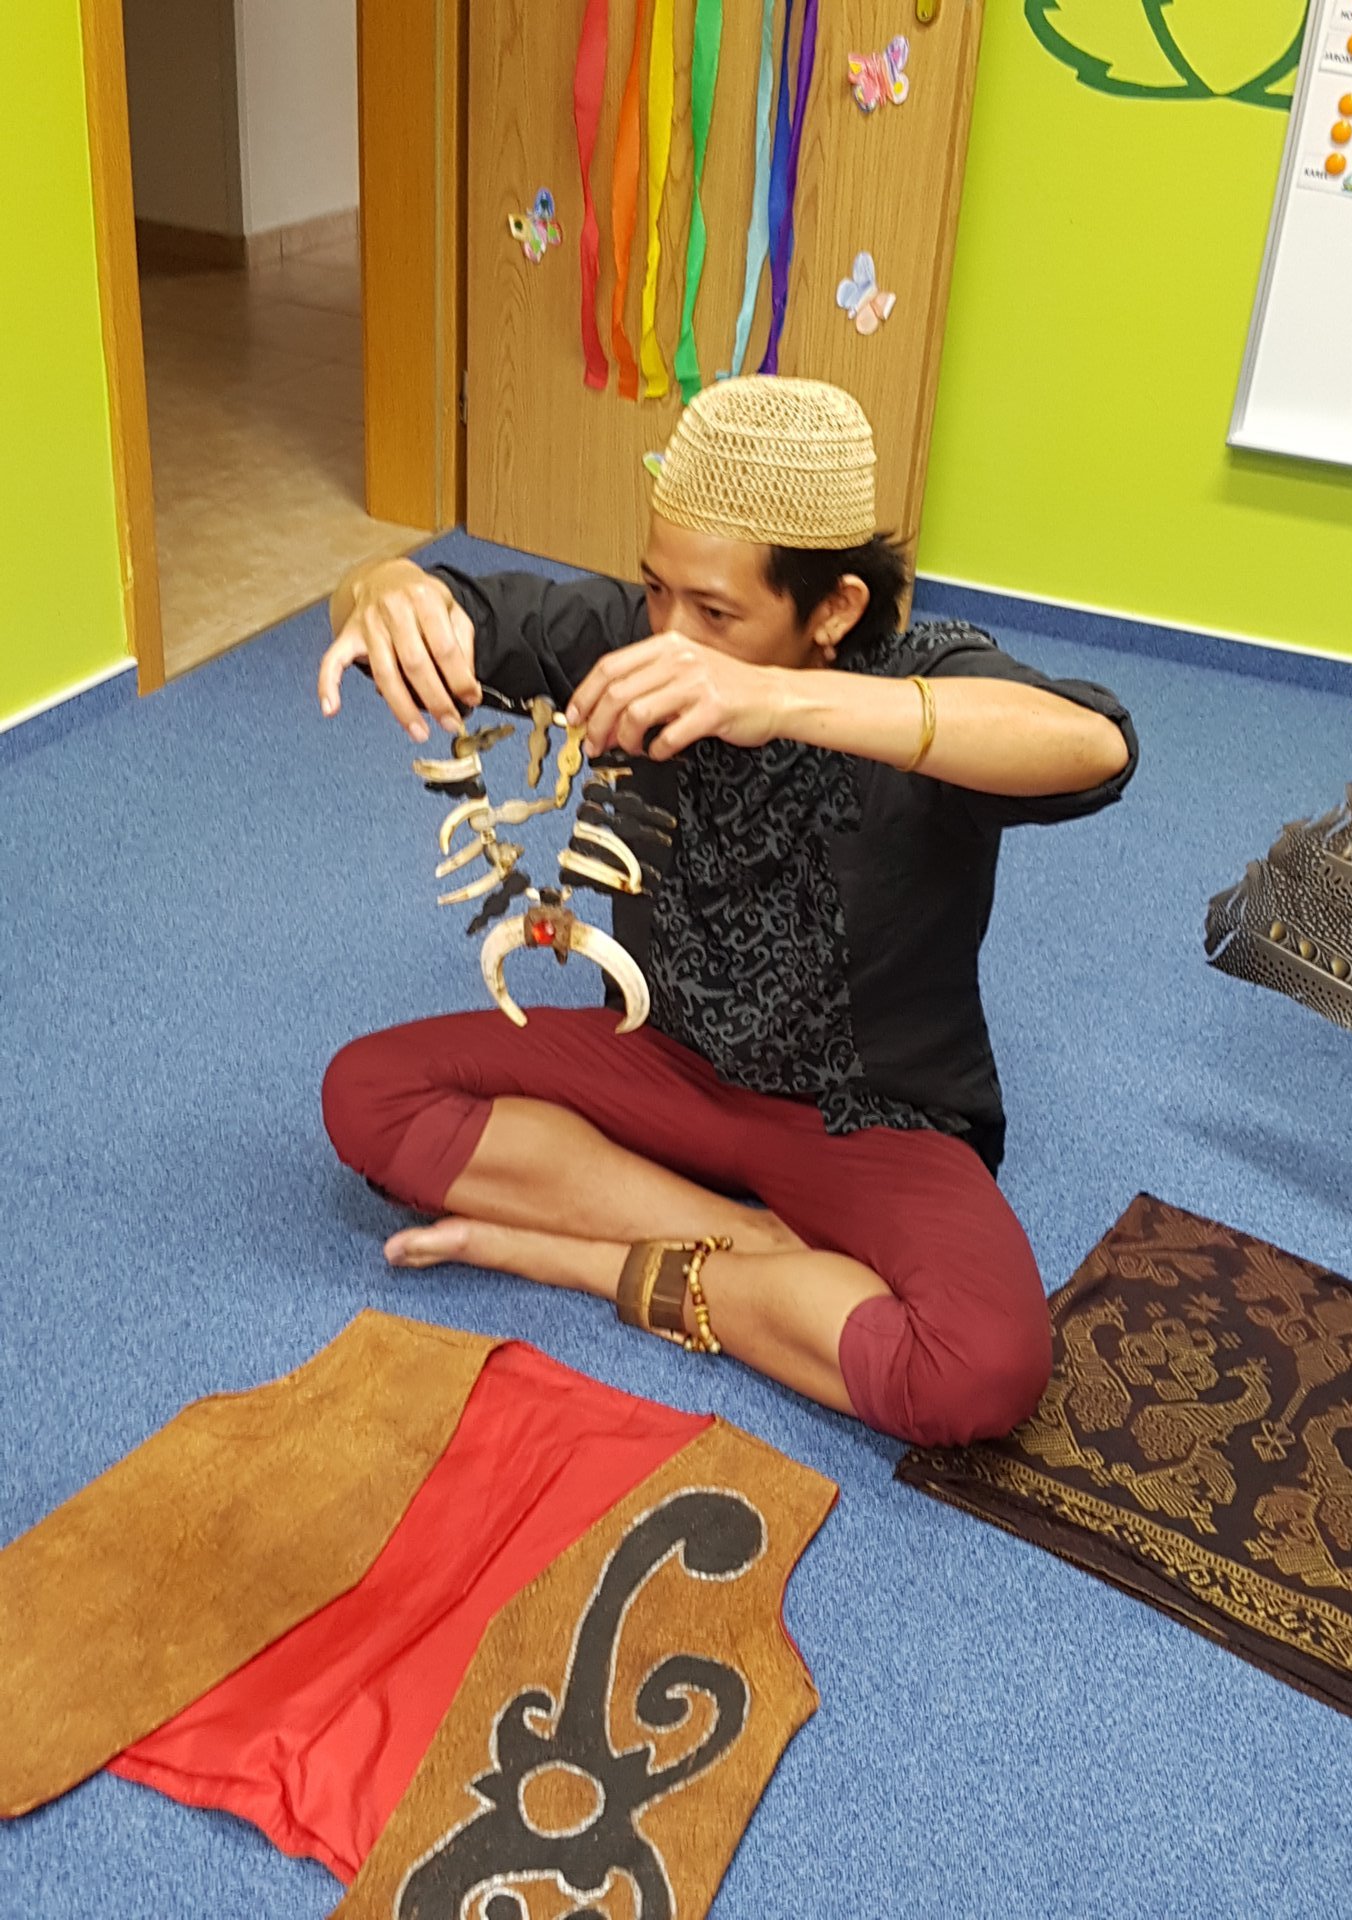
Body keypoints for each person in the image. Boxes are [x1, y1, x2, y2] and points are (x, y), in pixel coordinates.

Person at [317, 378, 1136, 1449]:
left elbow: (1094, 744)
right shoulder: (631, 637)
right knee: (368, 1094)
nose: (670, 635)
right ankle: (748, 1244)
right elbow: (417, 604)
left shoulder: (917, 676)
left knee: (981, 1371)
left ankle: (587, 1258)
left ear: (833, 608)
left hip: (861, 1115)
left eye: (715, 614)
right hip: (659, 1060)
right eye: (657, 590)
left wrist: (776, 701)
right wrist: (380, 584)